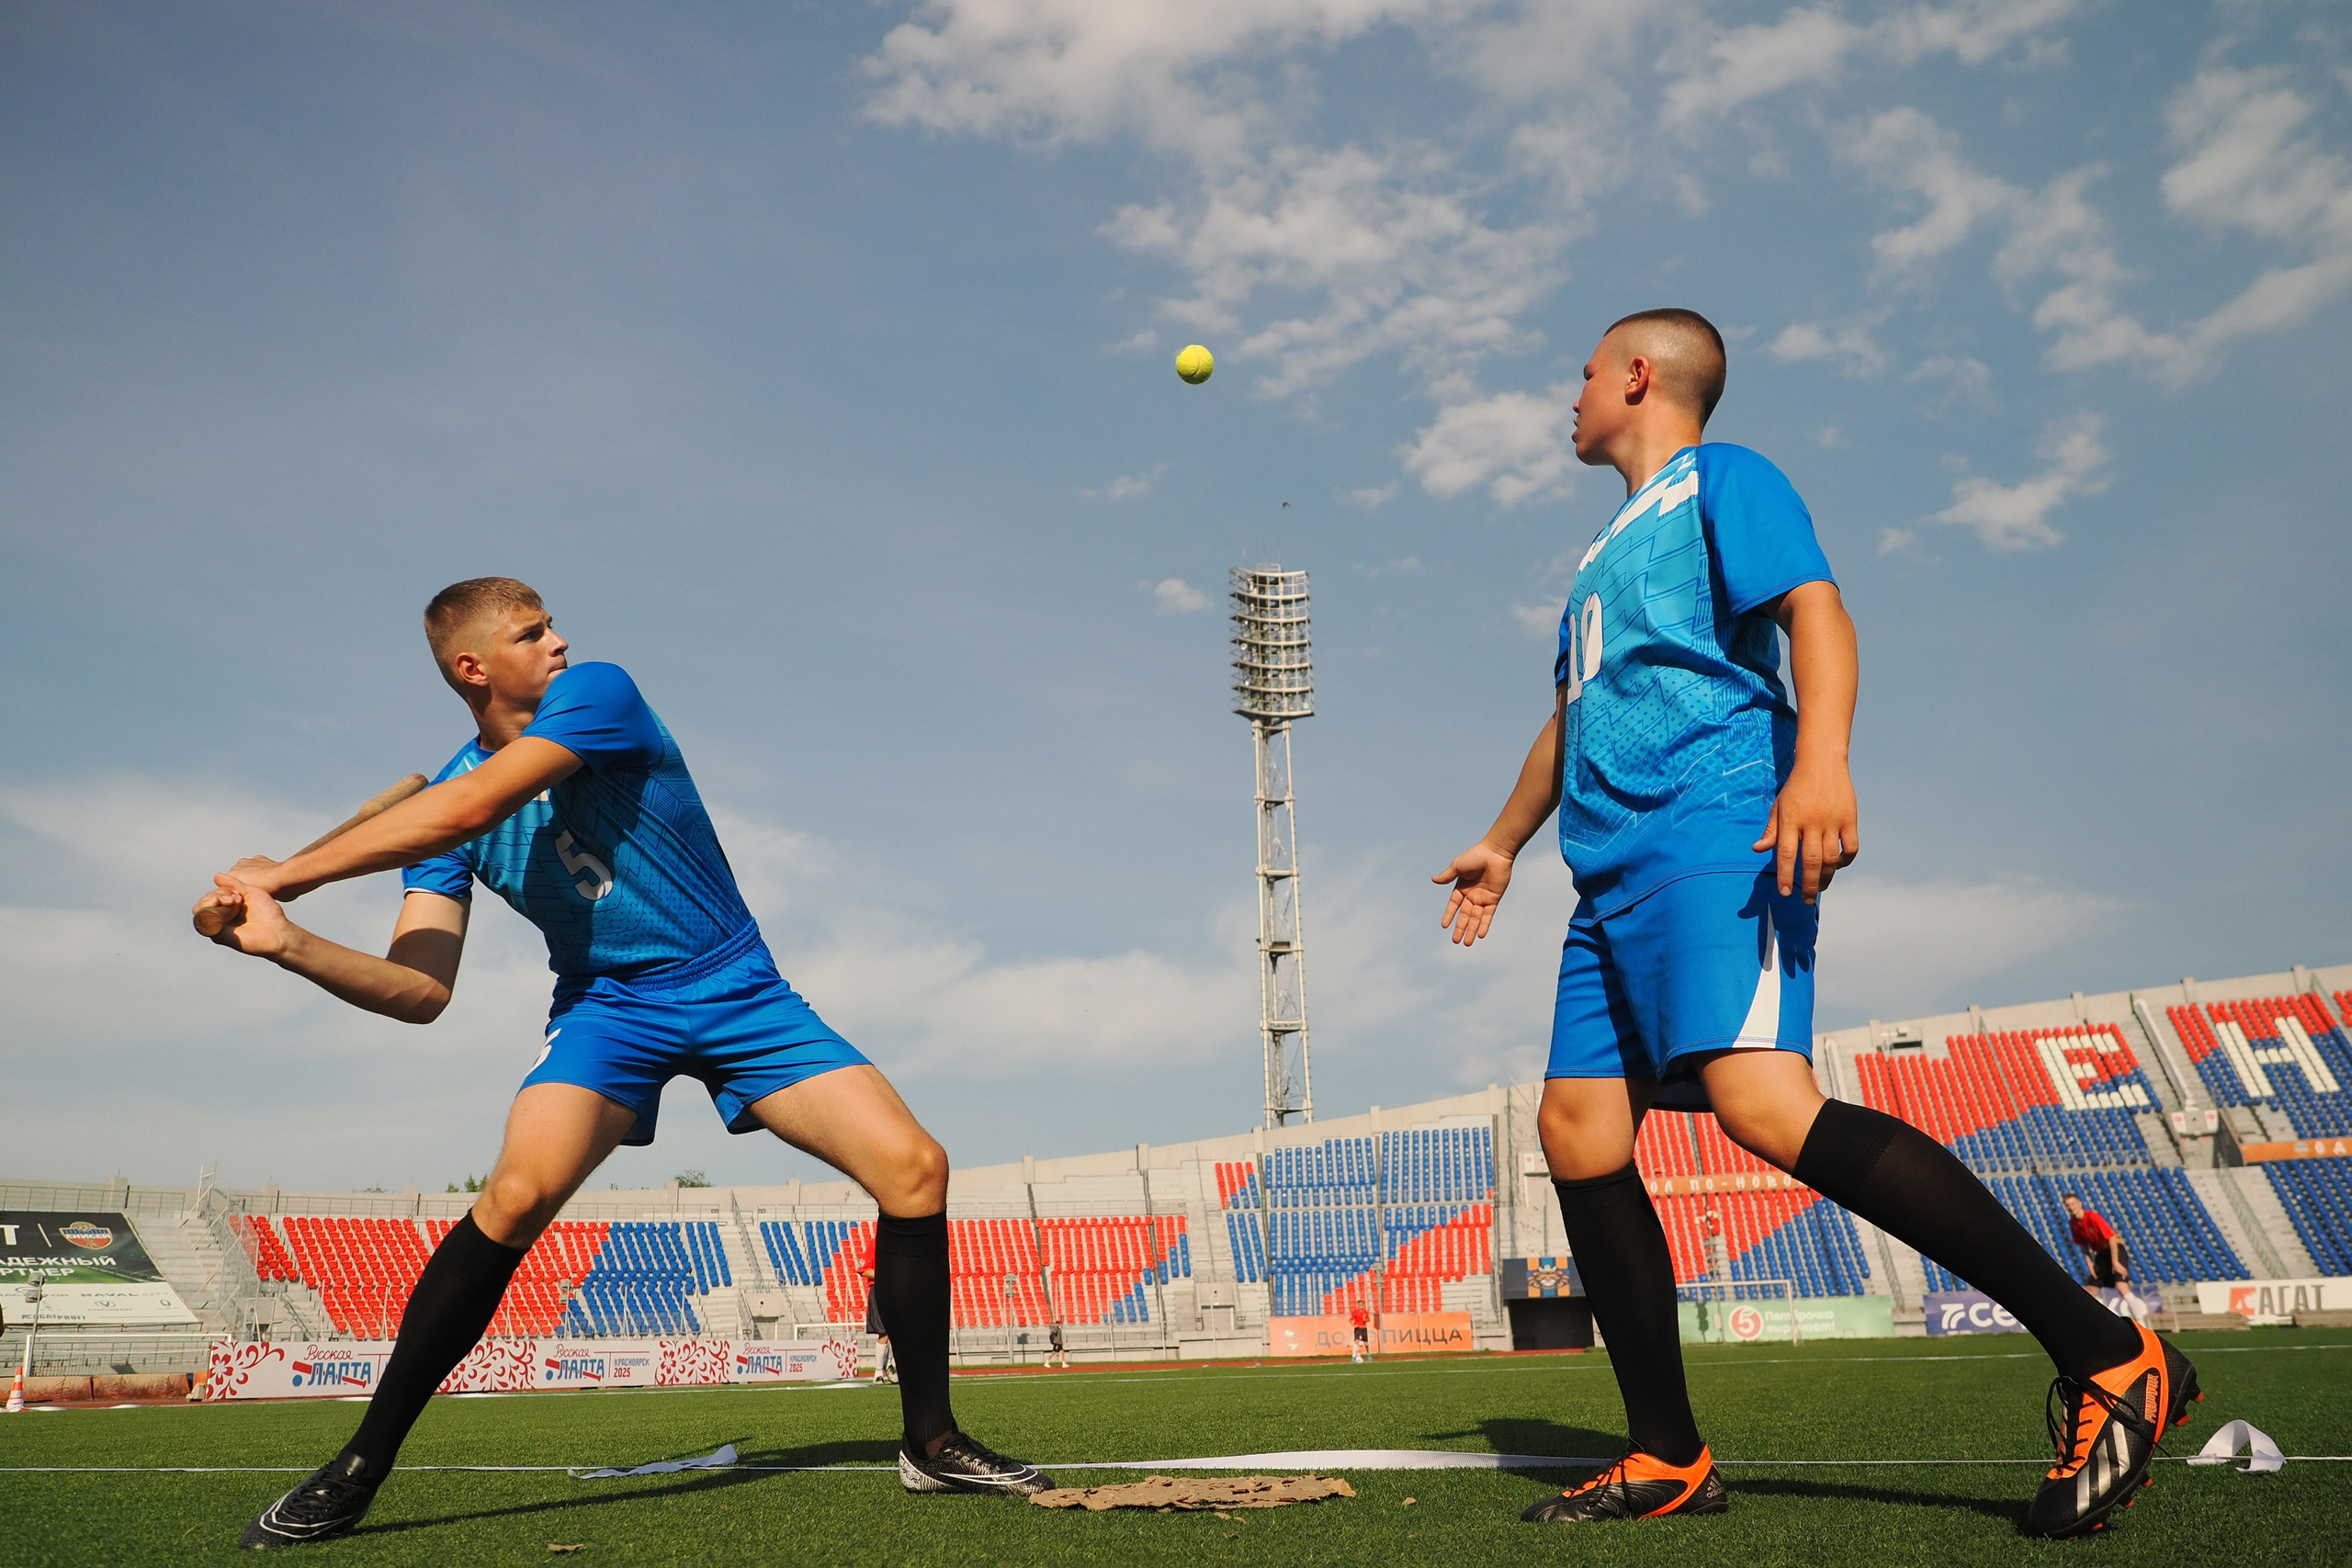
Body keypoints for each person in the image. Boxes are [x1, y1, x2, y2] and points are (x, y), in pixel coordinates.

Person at [1430, 311, 2197, 1538]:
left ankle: (2110, 1352)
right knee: (1576, 1126)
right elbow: (1574, 720)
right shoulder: (1596, 559)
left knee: (1762, 1102)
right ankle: (1667, 1451)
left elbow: (1816, 611)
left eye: (1582, 376)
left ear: (1639, 376)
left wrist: (1822, 763)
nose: (1567, 399)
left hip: (1716, 832)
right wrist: (1502, 841)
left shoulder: (1723, 481)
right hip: (1607, 875)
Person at [197, 579, 1046, 1550]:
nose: (559, 641)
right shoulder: (436, 817)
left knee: (914, 1170)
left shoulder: (596, 695)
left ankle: (930, 1441)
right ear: (472, 668)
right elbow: (420, 989)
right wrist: (287, 942)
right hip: (608, 1009)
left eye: (551, 625)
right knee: (513, 1196)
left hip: (736, 986)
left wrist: (286, 871)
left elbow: (467, 806)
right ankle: (358, 1466)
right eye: (531, 633)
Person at [2064, 1193, 2144, 1316]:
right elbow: (2083, 1245)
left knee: (2121, 1286)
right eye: (2068, 1205)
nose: (2071, 1207)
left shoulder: (2093, 1217)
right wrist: (2090, 1264)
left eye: (2073, 1204)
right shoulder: (2074, 1223)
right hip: (2101, 1254)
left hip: (2115, 1250)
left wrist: (2115, 1262)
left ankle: (2141, 1322)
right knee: (2090, 1291)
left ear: (2079, 1203)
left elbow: (2111, 1238)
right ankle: (2109, 1319)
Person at [860, 1238, 896, 1383]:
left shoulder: (900, 1243)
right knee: (884, 1331)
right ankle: (878, 1373)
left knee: (897, 1331)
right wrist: (884, 1276)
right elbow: (864, 1270)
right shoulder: (875, 1243)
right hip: (880, 1289)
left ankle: (890, 1365)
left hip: (897, 1289)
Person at [1349, 1298, 1372, 1363]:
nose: (1361, 1305)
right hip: (1358, 1328)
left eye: (1362, 1304)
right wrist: (1354, 1325)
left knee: (1366, 1343)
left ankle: (1368, 1354)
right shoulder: (1355, 1312)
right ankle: (1353, 1356)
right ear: (1357, 1305)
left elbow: (1368, 1319)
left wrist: (1366, 1320)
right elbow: (1350, 1320)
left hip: (1364, 1328)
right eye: (1359, 1304)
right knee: (1356, 1341)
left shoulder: (1365, 1312)